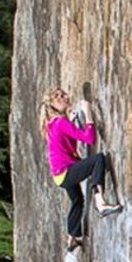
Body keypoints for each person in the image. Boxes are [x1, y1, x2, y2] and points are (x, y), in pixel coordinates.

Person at [43, 87, 121, 251]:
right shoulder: (60, 123)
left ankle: (72, 237)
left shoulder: (51, 124)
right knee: (98, 159)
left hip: (59, 175)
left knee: (77, 200)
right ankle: (100, 203)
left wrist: (71, 122)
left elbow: (65, 144)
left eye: (63, 94)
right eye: (58, 97)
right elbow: (89, 139)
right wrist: (88, 114)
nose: (64, 97)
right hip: (66, 172)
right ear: (52, 105)